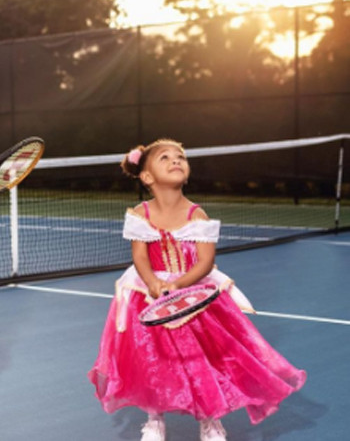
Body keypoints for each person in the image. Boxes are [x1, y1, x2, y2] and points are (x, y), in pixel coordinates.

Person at [87, 139, 306, 441]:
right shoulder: (140, 213)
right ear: (147, 176)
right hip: (147, 296)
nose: (176, 161)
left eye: (181, 157)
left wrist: (177, 285)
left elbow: (205, 263)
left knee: (203, 360)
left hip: (194, 296)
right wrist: (153, 284)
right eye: (165, 158)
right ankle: (154, 420)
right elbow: (140, 257)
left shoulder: (197, 215)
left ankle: (210, 420)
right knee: (152, 361)